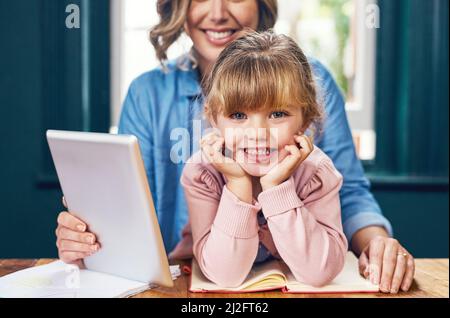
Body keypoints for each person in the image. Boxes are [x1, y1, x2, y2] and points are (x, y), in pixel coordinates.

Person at [55, 0, 414, 293]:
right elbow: (126, 208)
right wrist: (91, 236)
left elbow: (347, 192)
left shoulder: (311, 81)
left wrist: (376, 243)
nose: (217, 12)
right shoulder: (148, 95)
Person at [181, 31, 348, 287]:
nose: (258, 133)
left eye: (277, 114)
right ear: (213, 118)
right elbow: (226, 276)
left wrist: (276, 187)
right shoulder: (202, 173)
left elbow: (320, 272)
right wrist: (238, 183)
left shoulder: (316, 173)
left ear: (304, 120)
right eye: (238, 116)